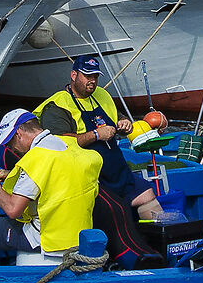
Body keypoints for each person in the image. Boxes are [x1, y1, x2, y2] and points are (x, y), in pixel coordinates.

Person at [0, 107, 102, 264]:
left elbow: (13, 210)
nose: (10, 148)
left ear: (18, 133)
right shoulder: (67, 145)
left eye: (9, 142)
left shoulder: (35, 159)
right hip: (77, 235)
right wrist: (10, 174)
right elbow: (56, 174)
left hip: (46, 238)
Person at [35, 54, 160, 217]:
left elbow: (117, 117)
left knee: (147, 194)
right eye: (87, 75)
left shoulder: (101, 95)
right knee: (115, 212)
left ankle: (160, 236)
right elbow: (59, 144)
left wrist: (124, 123)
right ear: (74, 75)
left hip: (118, 172)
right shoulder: (57, 106)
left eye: (95, 76)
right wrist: (95, 135)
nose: (92, 81)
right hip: (91, 180)